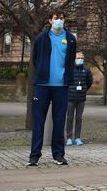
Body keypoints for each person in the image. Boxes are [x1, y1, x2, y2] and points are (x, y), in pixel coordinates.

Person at [28, 10, 77, 166]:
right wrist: (43, 72)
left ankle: (58, 155)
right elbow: (35, 58)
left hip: (61, 86)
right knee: (38, 121)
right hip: (42, 86)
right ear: (50, 20)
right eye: (56, 18)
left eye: (62, 18)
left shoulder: (70, 39)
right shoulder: (41, 38)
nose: (59, 21)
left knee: (59, 121)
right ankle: (34, 155)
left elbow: (71, 60)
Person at [66, 52, 93, 146]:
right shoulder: (70, 69)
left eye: (81, 58)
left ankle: (77, 138)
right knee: (69, 118)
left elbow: (89, 81)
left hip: (81, 98)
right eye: (78, 58)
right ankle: (69, 138)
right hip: (70, 98)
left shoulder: (86, 70)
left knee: (79, 118)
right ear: (74, 59)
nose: (80, 59)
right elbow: (66, 81)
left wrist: (84, 89)